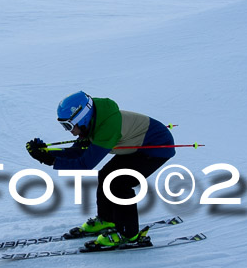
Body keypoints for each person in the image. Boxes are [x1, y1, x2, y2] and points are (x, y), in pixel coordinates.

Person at [26, 91, 175, 247]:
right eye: (63, 125)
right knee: (106, 175)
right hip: (139, 145)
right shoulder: (93, 121)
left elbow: (85, 164)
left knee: (119, 182)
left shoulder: (106, 127)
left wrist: (49, 160)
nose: (69, 131)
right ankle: (107, 220)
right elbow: (77, 151)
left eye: (68, 125)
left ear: (82, 118)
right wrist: (45, 152)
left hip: (156, 148)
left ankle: (128, 234)